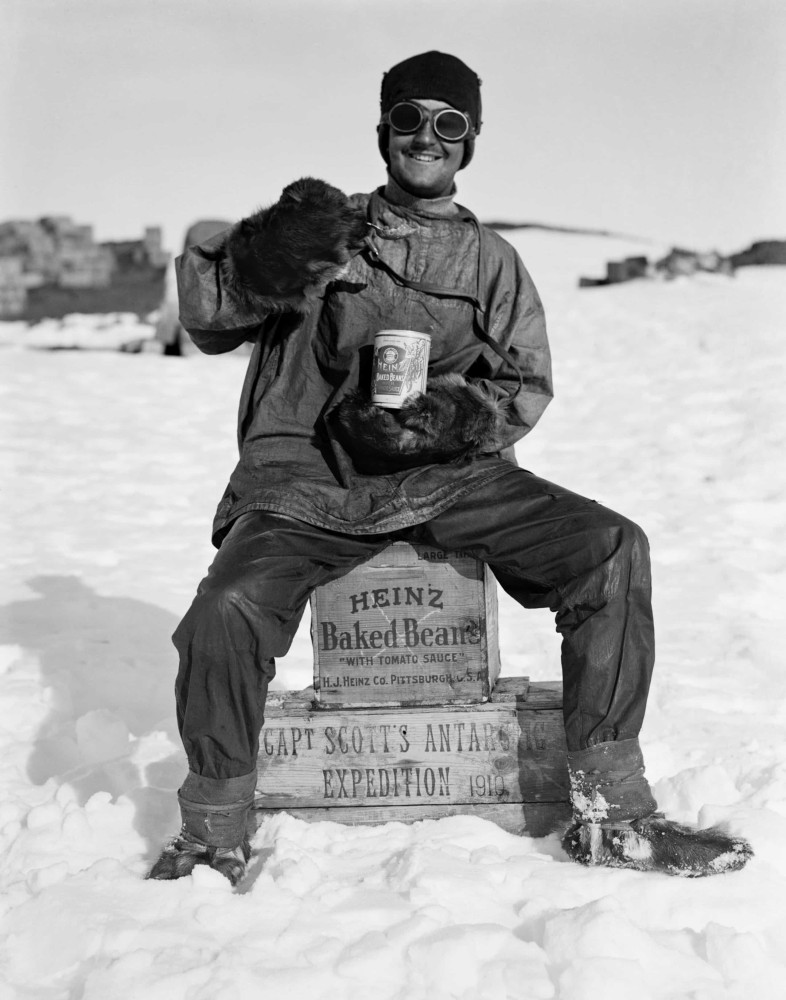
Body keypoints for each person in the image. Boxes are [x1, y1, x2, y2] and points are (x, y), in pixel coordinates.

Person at [148, 51, 752, 885]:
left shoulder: (494, 263)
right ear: (383, 133)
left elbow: (525, 384)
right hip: (308, 482)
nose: (425, 137)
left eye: (448, 123)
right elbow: (209, 317)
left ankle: (612, 817)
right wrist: (266, 255)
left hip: (448, 477)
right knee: (228, 605)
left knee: (611, 551)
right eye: (409, 119)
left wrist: (450, 420)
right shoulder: (328, 233)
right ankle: (214, 832)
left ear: (468, 143)